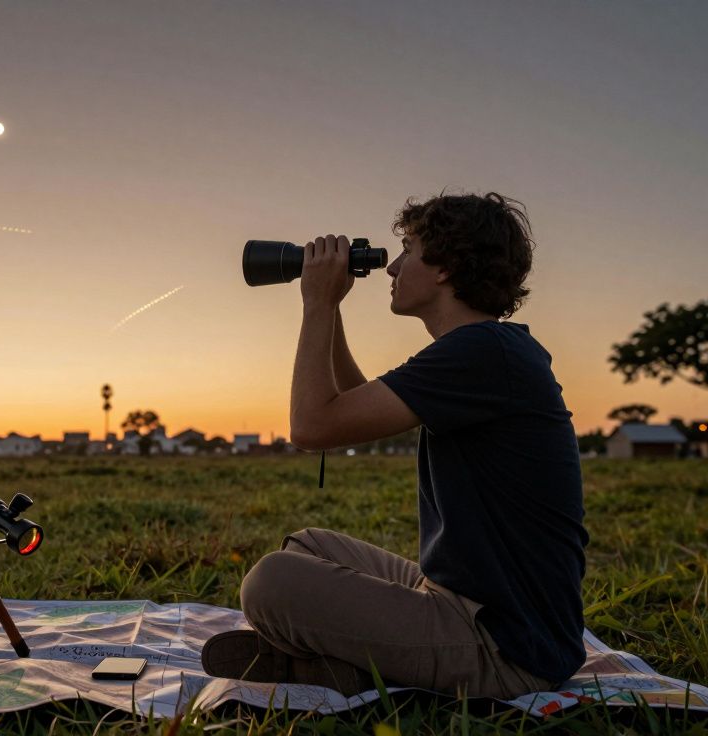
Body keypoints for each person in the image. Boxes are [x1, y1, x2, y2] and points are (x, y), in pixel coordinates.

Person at [201, 192, 588, 699]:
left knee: (272, 583)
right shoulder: (484, 351)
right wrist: (332, 308)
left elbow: (312, 427)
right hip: (468, 604)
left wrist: (315, 302)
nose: (393, 267)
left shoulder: (483, 352)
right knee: (308, 545)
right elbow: (351, 403)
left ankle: (340, 662)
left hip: (506, 648)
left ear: (445, 267)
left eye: (408, 250)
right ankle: (348, 665)